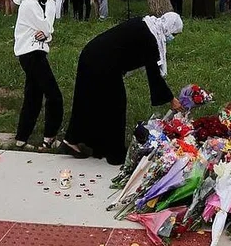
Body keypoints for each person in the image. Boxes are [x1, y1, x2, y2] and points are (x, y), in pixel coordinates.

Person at [60, 13, 184, 164]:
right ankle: (114, 153)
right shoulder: (151, 38)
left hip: (92, 56)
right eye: (174, 34)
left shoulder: (145, 24)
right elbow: (154, 76)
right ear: (169, 28)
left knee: (90, 101)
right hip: (102, 64)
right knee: (115, 106)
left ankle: (76, 141)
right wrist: (171, 100)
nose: (172, 38)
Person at [11, 0, 63, 150]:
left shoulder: (32, 2)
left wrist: (46, 35)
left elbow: (45, 32)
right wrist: (50, 7)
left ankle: (21, 137)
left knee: (33, 96)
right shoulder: (31, 4)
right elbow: (47, 27)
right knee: (54, 96)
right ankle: (49, 138)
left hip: (32, 53)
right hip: (32, 54)